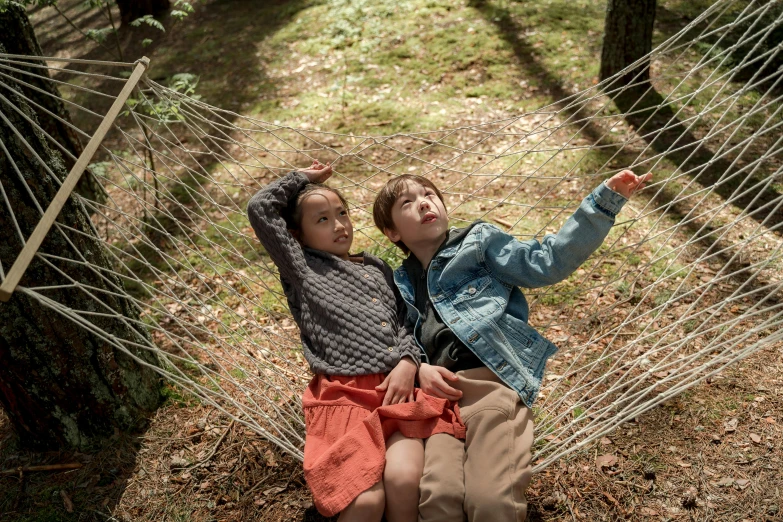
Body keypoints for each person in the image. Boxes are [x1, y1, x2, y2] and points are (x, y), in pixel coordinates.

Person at [372, 169, 652, 521]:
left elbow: (545, 263)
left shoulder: (476, 245)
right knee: (439, 500)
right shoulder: (396, 283)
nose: (424, 202)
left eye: (429, 194)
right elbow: (394, 338)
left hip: (490, 387)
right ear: (392, 232)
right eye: (407, 202)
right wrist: (418, 368)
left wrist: (603, 203)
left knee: (490, 502)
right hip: (437, 404)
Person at [246, 160, 465, 522]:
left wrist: (408, 363)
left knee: (405, 478)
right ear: (297, 235)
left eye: (342, 213)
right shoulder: (300, 267)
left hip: (396, 392)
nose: (339, 225)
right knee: (365, 503)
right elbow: (260, 209)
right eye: (322, 219)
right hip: (343, 398)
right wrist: (303, 179)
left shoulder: (376, 267)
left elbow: (404, 324)